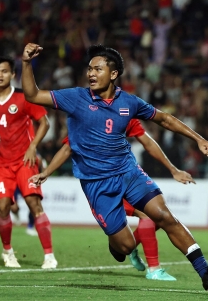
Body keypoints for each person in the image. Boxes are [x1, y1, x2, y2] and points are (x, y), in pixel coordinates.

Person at [21, 43, 208, 290]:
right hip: (96, 183)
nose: (91, 74)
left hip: (128, 172)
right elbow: (33, 95)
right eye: (89, 69)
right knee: (126, 246)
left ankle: (206, 273)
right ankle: (116, 242)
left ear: (114, 73)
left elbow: (164, 119)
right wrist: (25, 63)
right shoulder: (75, 97)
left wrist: (198, 138)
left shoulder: (130, 102)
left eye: (97, 69)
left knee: (164, 216)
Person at [29, 118, 196, 281]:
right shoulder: (87, 120)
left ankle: (136, 253)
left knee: (156, 217)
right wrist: (46, 173)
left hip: (126, 178)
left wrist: (173, 169)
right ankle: (151, 266)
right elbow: (67, 148)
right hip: (103, 186)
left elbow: (147, 140)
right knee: (147, 218)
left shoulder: (123, 114)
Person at [0, 56, 57, 269]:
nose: (0, 75)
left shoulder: (24, 99)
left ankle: (49, 256)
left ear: (13, 74)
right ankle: (7, 252)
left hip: (25, 161)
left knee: (34, 204)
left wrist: (33, 147)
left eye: (4, 71)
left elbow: (45, 122)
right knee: (3, 207)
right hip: (1, 164)